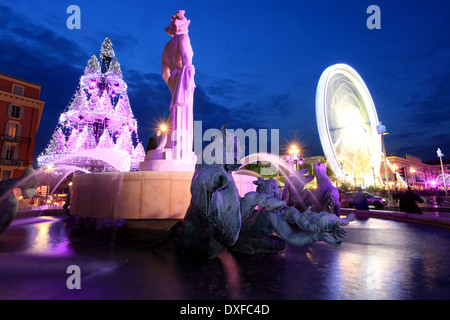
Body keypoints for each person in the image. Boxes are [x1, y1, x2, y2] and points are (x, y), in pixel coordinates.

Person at [161, 10, 195, 159]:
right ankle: (180, 150)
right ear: (182, 26)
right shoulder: (184, 38)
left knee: (175, 111)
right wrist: (189, 78)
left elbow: (164, 74)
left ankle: (163, 144)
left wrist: (171, 85)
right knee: (182, 112)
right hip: (183, 75)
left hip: (173, 78)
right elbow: (187, 60)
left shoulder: (167, 46)